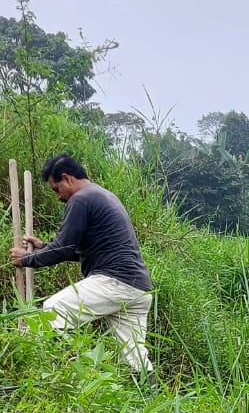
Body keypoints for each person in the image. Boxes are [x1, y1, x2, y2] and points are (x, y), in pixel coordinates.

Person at [10, 154, 156, 382]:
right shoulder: (103, 195)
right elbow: (80, 250)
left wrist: (27, 258)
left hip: (115, 281)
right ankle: (151, 398)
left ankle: (53, 378)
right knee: (135, 357)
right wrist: (43, 248)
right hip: (138, 289)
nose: (58, 197)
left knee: (54, 309)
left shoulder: (81, 199)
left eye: (56, 189)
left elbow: (64, 248)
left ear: (67, 178)